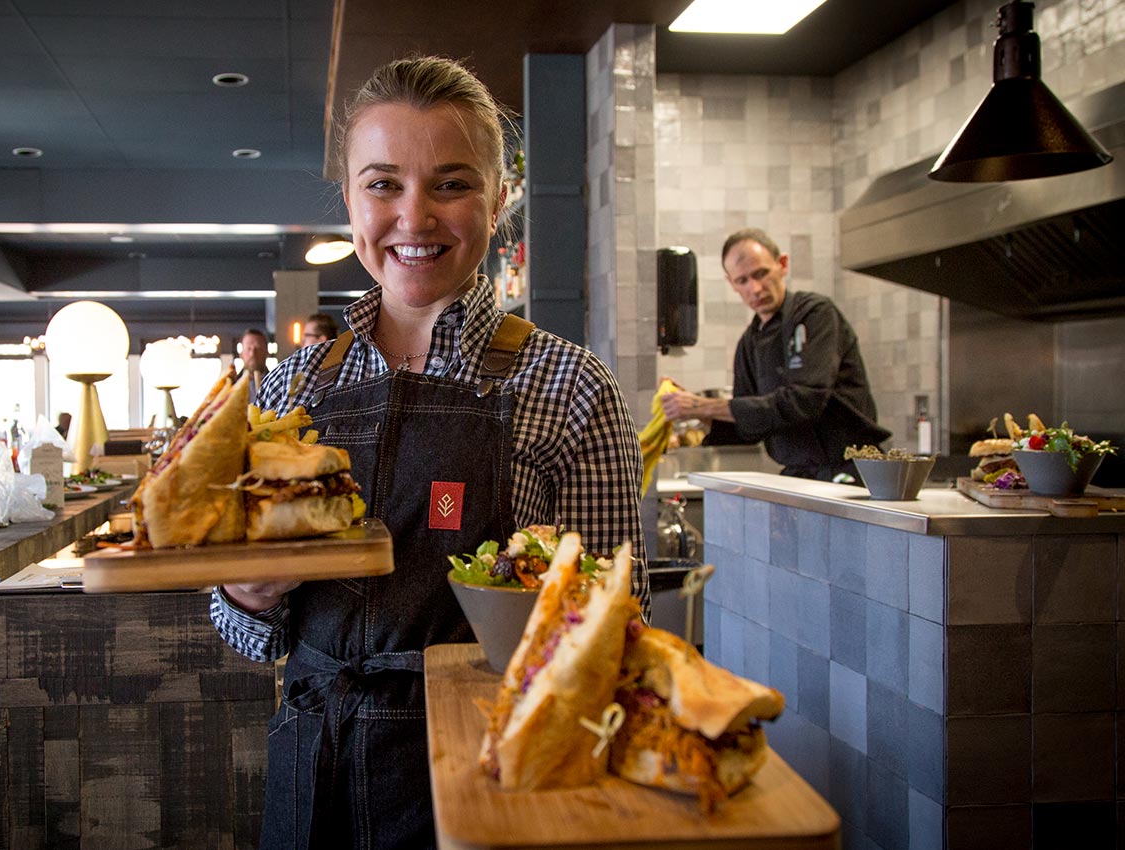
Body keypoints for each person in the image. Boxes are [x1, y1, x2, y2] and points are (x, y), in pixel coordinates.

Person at [209, 56, 649, 849]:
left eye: (451, 183)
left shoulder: (572, 386)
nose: (414, 216)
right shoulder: (286, 392)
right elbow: (241, 632)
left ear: (500, 196)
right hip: (314, 778)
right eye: (383, 184)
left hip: (491, 780)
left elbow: (619, 629)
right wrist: (248, 592)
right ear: (348, 199)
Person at [660, 227, 891, 482]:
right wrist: (699, 411)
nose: (756, 288)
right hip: (799, 477)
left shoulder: (815, 314)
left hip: (850, 471)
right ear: (731, 283)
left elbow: (805, 400)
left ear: (782, 265)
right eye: (743, 280)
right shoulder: (749, 343)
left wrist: (705, 405)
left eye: (761, 274)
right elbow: (747, 430)